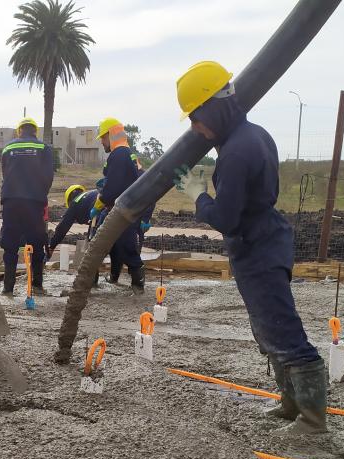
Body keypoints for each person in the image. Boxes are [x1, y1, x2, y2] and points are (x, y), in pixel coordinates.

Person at [175, 60, 325, 434]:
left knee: (282, 332)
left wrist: (198, 197)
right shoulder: (254, 135)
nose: (196, 127)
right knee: (268, 331)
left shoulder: (237, 151)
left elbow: (225, 218)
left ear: (212, 108)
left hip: (258, 248)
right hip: (263, 243)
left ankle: (313, 422)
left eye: (196, 117)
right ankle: (291, 405)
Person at [0, 117, 54, 296]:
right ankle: (37, 285)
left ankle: (8, 288)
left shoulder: (8, 148)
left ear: (19, 131)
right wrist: (40, 195)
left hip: (11, 202)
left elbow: (5, 173)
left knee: (10, 243)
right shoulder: (44, 148)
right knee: (36, 242)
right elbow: (48, 177)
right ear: (34, 131)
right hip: (33, 202)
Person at [94, 118, 146, 292]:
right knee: (114, 245)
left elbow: (112, 188)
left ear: (110, 134)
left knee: (119, 245)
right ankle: (99, 278)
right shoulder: (125, 153)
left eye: (103, 137)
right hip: (123, 209)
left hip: (122, 211)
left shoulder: (119, 154)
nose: (101, 141)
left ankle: (138, 284)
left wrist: (98, 204)